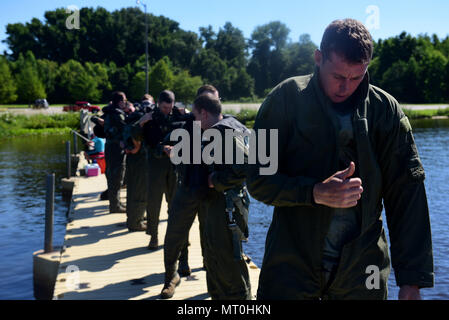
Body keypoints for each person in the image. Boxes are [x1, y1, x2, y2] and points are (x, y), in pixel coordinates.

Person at [246, 19, 434, 300]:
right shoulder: (283, 100)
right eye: (338, 76)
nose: (346, 87)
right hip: (290, 264)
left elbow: (407, 196)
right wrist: (314, 192)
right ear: (318, 58)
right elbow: (258, 180)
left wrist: (412, 280)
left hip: (363, 271)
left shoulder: (386, 112)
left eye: (357, 77)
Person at [183, 93, 252, 300]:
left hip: (227, 206)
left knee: (228, 260)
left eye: (195, 117)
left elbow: (248, 165)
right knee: (215, 257)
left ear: (204, 113)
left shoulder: (223, 131)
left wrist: (216, 180)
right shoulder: (229, 125)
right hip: (220, 205)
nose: (195, 122)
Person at [160, 85, 220, 299]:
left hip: (214, 190)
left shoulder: (225, 124)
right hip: (188, 187)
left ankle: (212, 275)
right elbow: (168, 142)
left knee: (212, 234)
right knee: (175, 232)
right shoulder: (187, 122)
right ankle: (171, 276)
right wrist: (171, 150)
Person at [138, 90, 182, 249]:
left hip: (174, 165)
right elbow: (136, 137)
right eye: (164, 107)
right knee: (154, 202)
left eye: (170, 107)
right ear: (158, 103)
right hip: (156, 165)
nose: (167, 111)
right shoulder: (150, 117)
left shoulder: (178, 115)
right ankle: (154, 236)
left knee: (176, 203)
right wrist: (141, 123)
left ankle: (176, 236)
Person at [102, 91, 129, 213]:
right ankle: (115, 206)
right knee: (116, 176)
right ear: (120, 102)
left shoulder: (109, 112)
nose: (126, 103)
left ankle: (116, 203)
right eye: (124, 100)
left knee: (112, 175)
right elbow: (125, 128)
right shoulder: (117, 114)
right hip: (116, 149)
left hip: (109, 148)